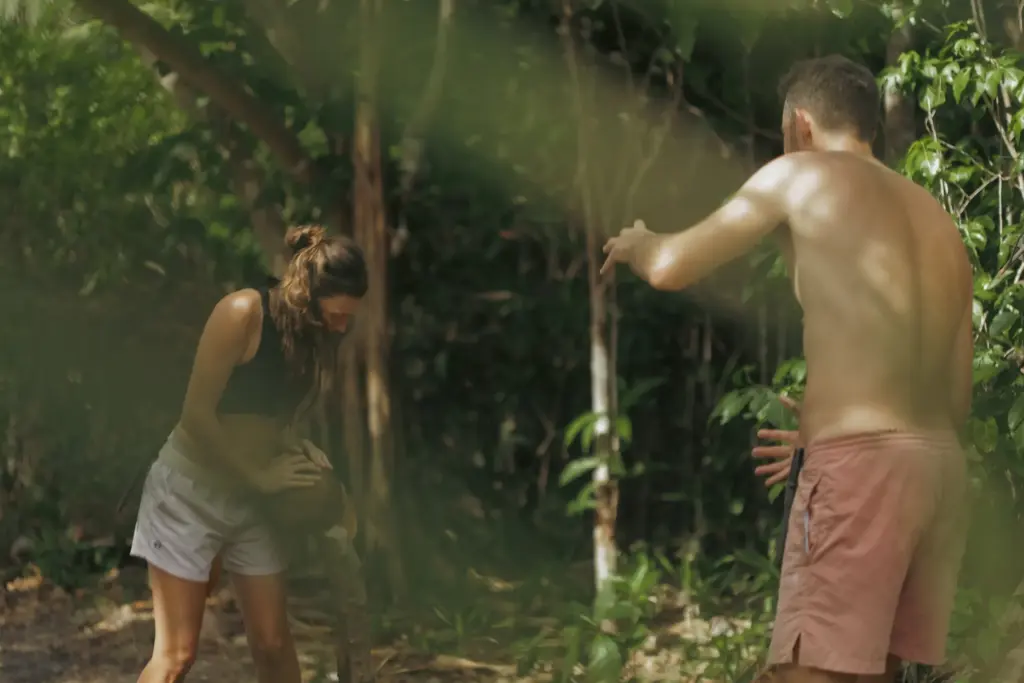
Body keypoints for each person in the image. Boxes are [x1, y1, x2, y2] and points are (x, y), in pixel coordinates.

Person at [601, 55, 973, 683]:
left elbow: (670, 267)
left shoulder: (800, 175)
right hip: (936, 474)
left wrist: (639, 243)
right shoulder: (935, 219)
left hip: (859, 475)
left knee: (808, 673)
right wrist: (835, 419)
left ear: (801, 125)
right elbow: (951, 401)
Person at [130, 225, 367, 683]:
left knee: (275, 647)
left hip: (254, 498)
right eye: (337, 314)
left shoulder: (310, 336)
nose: (342, 326)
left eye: (348, 318)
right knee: (177, 655)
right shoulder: (242, 312)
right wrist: (258, 477)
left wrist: (296, 444)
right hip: (189, 495)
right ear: (310, 292)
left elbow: (266, 418)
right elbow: (197, 416)